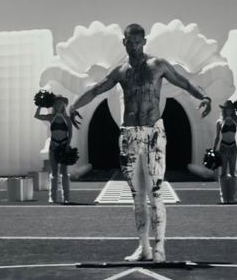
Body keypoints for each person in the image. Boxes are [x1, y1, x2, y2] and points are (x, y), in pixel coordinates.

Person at [68, 23, 212, 262]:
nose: (134, 46)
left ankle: (160, 247)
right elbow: (96, 89)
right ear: (123, 43)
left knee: (156, 192)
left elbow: (184, 82)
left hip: (153, 132)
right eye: (129, 42)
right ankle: (143, 247)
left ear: (143, 42)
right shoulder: (121, 71)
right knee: (137, 195)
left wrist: (204, 96)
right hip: (128, 135)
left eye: (137, 42)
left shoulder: (158, 66)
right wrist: (74, 105)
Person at [35, 95, 72, 204]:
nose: (59, 105)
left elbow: (70, 134)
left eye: (61, 103)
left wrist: (67, 146)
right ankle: (52, 197)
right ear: (54, 105)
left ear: (64, 105)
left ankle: (66, 197)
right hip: (53, 146)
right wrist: (40, 105)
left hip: (64, 145)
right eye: (57, 103)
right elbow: (37, 116)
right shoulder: (51, 117)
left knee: (64, 173)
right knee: (54, 172)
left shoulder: (67, 119)